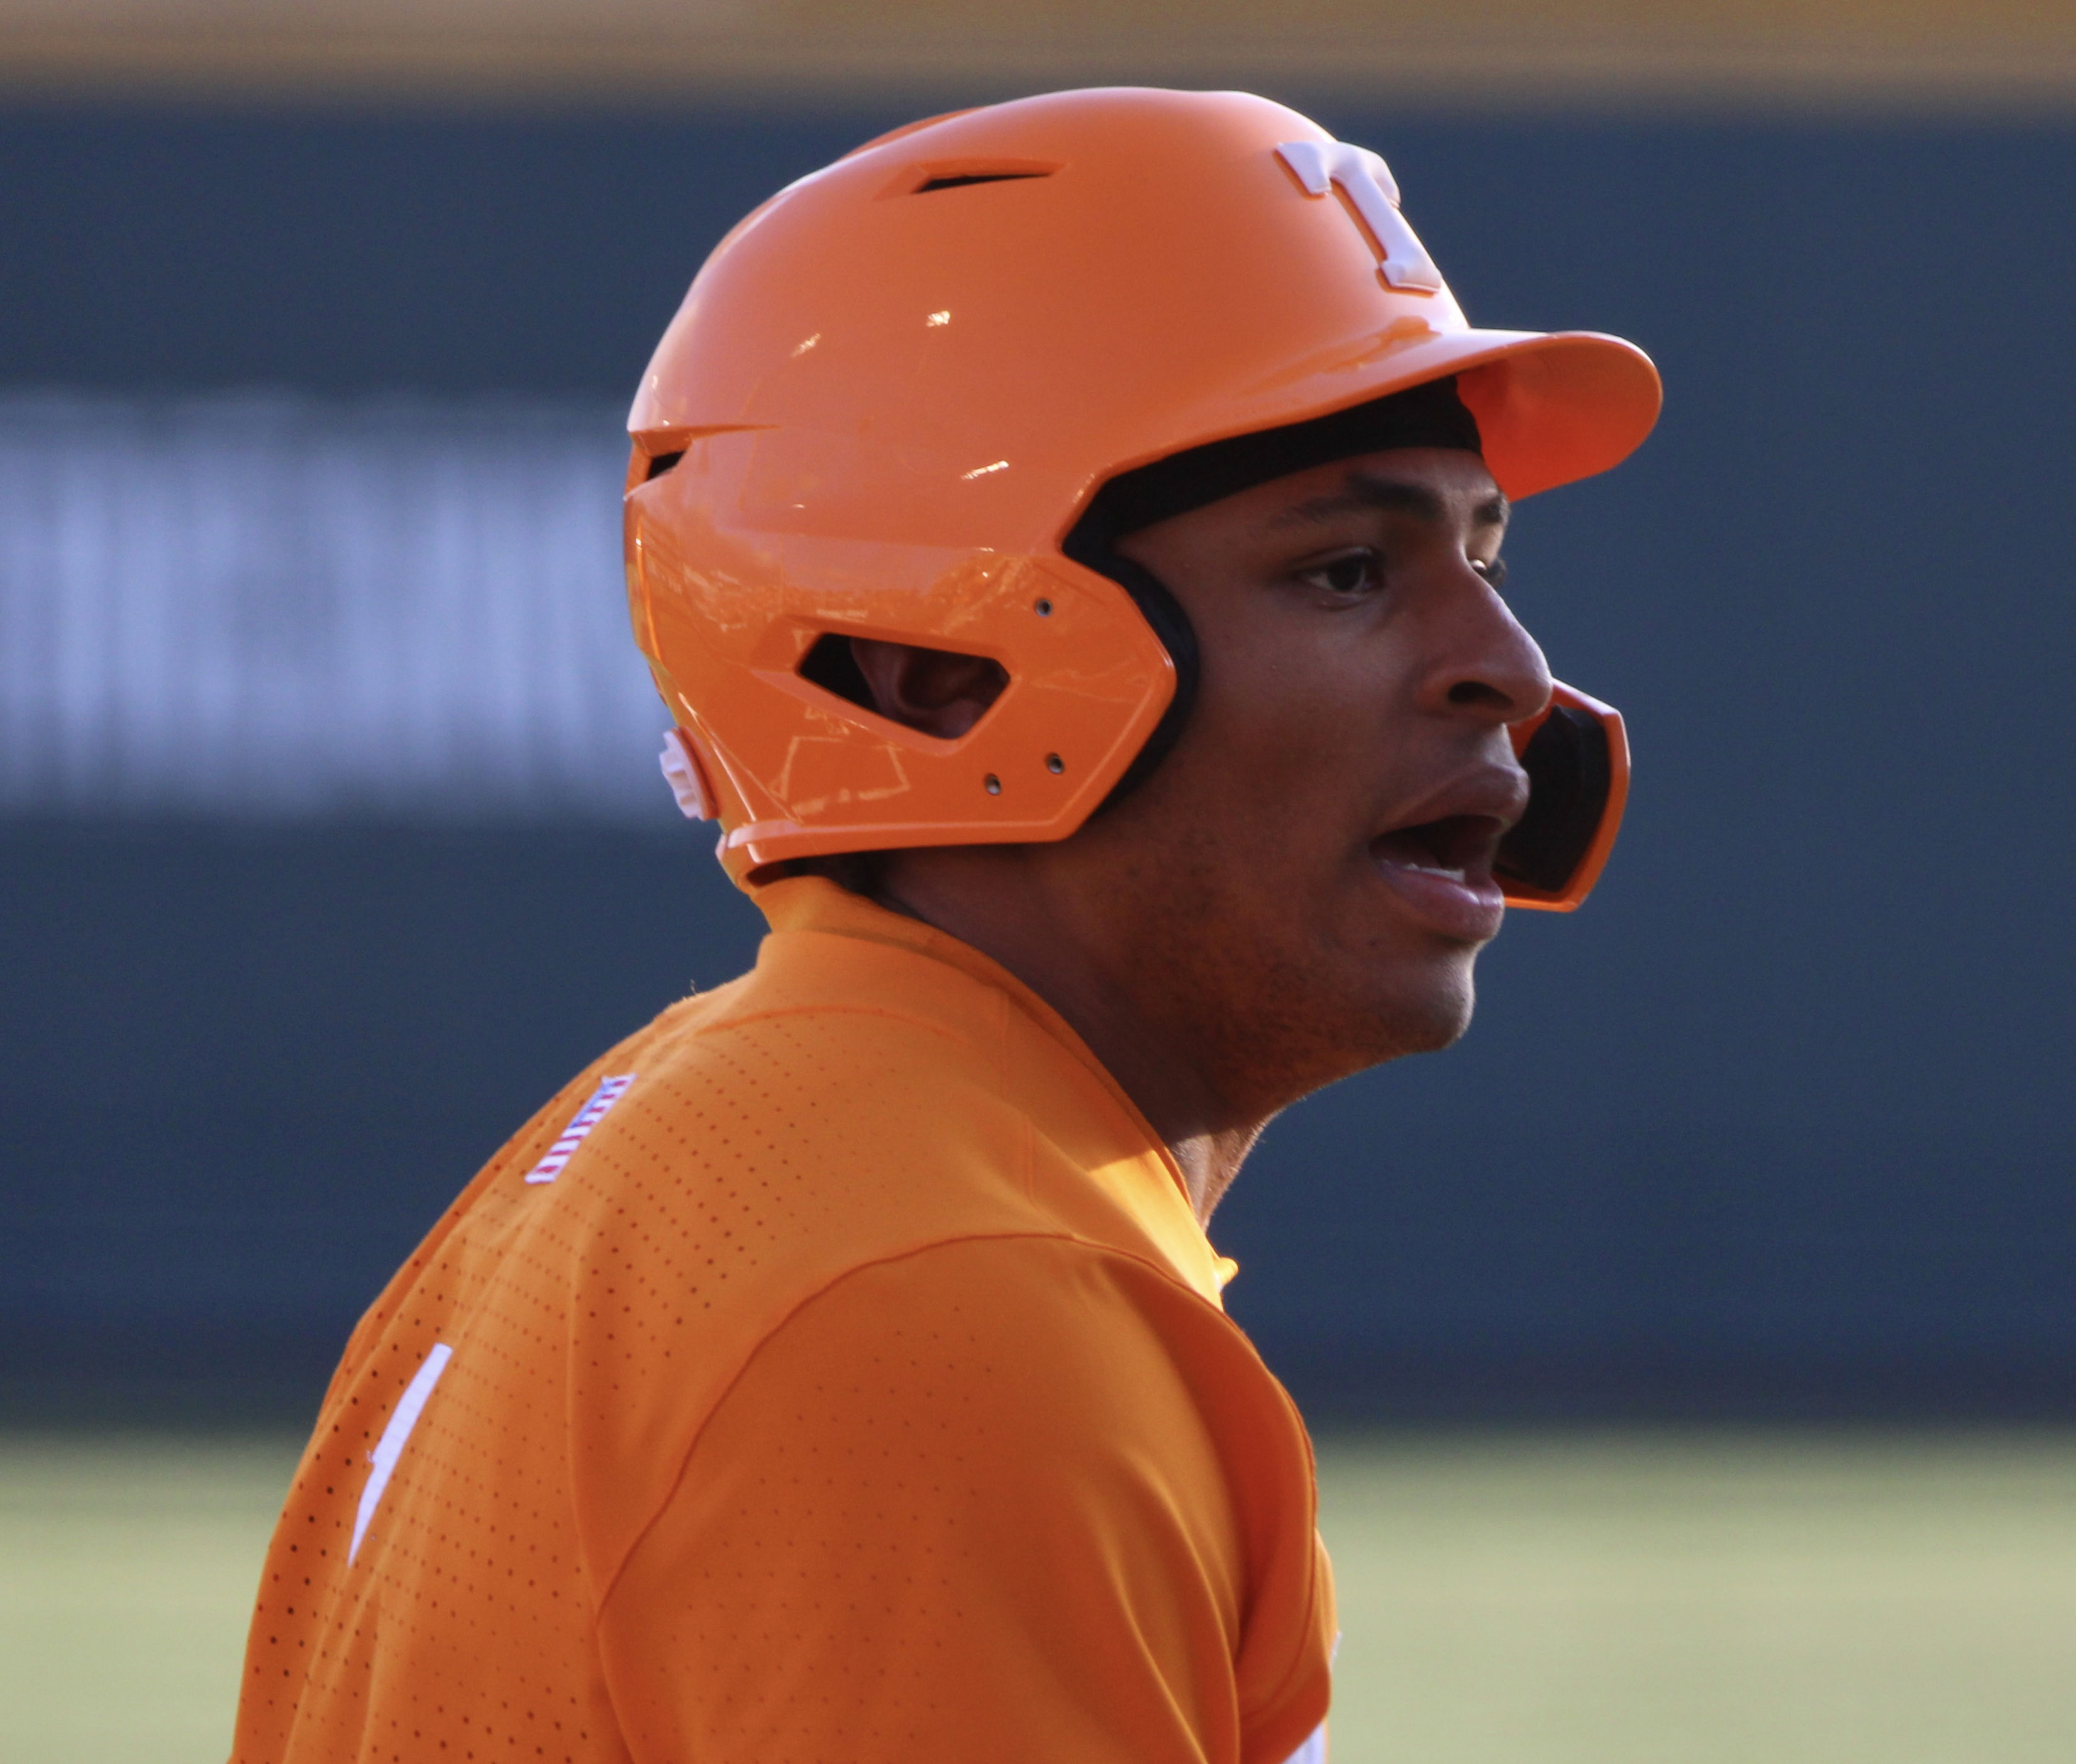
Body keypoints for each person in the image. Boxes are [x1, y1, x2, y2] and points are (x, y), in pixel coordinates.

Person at [230, 86, 1658, 1764]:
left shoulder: (738, 1142)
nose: (1501, 661)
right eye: (1345, 568)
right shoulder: (948, 1303)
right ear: (932, 675)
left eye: (1485, 552)